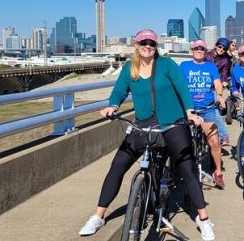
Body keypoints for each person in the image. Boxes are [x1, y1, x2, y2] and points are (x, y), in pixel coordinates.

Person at [79, 29, 215, 241]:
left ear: (156, 46)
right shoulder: (129, 68)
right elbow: (119, 91)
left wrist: (190, 112)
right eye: (144, 42)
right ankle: (98, 215)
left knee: (187, 168)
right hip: (143, 124)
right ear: (136, 44)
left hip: (172, 122)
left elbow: (182, 88)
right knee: (117, 166)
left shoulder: (167, 64)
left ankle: (204, 220)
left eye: (152, 43)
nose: (148, 46)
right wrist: (112, 106)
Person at [180, 39, 226, 190]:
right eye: (196, 48)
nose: (199, 50)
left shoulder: (210, 66)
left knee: (214, 141)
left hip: (207, 108)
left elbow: (218, 83)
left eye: (202, 49)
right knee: (181, 141)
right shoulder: (185, 66)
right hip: (189, 109)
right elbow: (178, 84)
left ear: (206, 52)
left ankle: (217, 172)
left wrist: (219, 95)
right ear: (191, 50)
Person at [205, 37, 232, 144]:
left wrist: (224, 82)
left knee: (214, 110)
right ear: (216, 46)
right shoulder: (206, 55)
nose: (221, 49)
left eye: (224, 48)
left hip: (213, 87)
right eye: (220, 46)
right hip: (200, 85)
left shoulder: (225, 60)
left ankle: (223, 135)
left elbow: (224, 74)